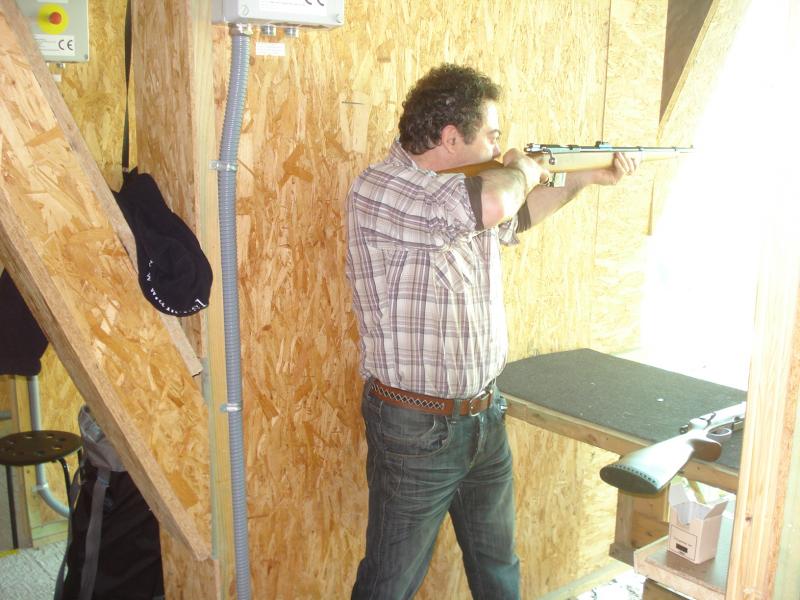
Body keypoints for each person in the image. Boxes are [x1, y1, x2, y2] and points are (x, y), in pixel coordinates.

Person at [345, 63, 638, 600]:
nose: (500, 146)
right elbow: (496, 201)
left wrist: (579, 179)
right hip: (416, 428)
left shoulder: (465, 191)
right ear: (451, 137)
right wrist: (524, 168)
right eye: (492, 134)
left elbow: (515, 216)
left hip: (485, 415)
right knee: (390, 582)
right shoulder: (382, 188)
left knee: (498, 567)